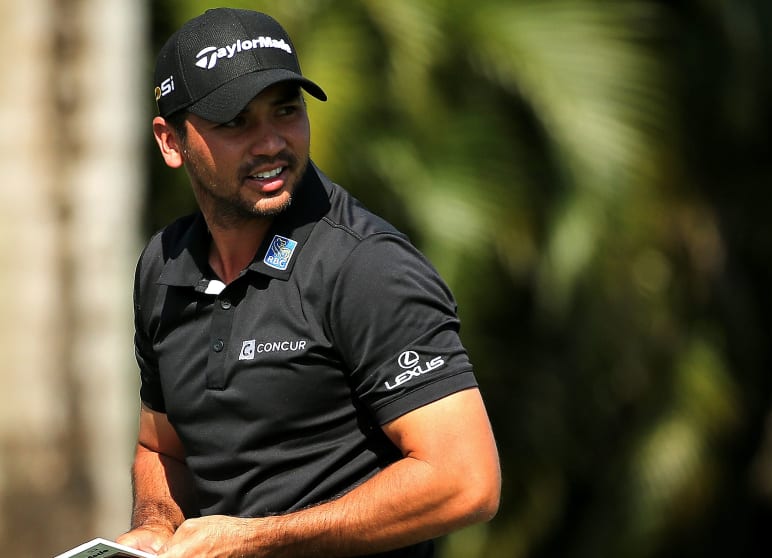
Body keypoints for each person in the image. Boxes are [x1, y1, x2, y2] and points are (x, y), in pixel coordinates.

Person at [116, 8, 501, 557]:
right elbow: (162, 448)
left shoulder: (366, 266)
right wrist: (157, 524)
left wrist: (256, 541)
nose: (271, 142)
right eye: (235, 122)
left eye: (286, 110)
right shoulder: (164, 264)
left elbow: (466, 482)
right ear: (171, 141)